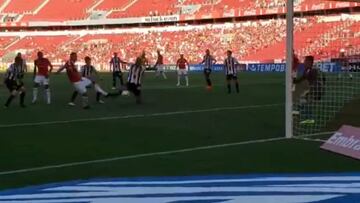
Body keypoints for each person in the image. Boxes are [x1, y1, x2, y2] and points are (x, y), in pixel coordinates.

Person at [293, 55, 326, 124]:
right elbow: (302, 78)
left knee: (305, 101)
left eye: (305, 61)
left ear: (309, 62)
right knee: (303, 101)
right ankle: (301, 114)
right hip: (313, 89)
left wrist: (309, 91)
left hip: (316, 90)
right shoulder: (307, 70)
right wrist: (294, 80)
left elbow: (317, 82)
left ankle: (309, 118)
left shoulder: (313, 70)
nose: (304, 63)